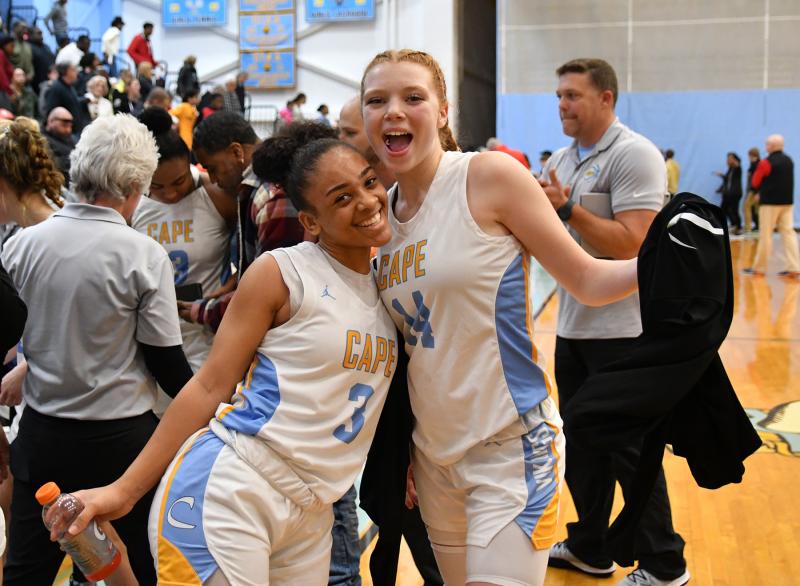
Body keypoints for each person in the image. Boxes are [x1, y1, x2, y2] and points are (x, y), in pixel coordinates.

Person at [54, 130, 399, 585]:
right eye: (341, 198)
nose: (368, 201)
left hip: (313, 512)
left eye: (369, 182)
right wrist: (124, 491)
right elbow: (210, 386)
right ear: (311, 222)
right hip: (232, 489)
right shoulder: (283, 272)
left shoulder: (391, 287)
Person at [361, 49, 640, 586]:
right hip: (434, 460)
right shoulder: (379, 222)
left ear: (442, 111)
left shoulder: (488, 177)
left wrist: (657, 266)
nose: (393, 111)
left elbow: (584, 278)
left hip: (511, 448)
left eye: (412, 97)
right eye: (377, 100)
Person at [1, 115, 193, 585]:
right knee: (131, 570)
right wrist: (214, 400)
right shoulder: (141, 253)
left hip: (43, 437)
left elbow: (28, 329)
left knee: (27, 571)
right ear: (133, 185)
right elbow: (166, 362)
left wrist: (31, 366)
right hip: (121, 445)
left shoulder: (21, 245)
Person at [538, 58, 687, 586]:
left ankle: (666, 565)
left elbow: (637, 245)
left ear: (606, 99)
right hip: (575, 328)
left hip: (623, 334)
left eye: (573, 95)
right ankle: (591, 546)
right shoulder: (562, 158)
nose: (562, 104)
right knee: (582, 448)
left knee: (630, 451)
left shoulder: (635, 155)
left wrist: (568, 212)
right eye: (559, 95)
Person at [337, 94, 443, 586]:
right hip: (381, 419)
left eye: (345, 132)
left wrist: (412, 449)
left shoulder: (430, 211)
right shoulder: (369, 213)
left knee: (433, 550)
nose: (337, 142)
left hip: (427, 418)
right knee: (388, 534)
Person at [132, 107, 236, 380]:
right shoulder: (133, 207)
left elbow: (258, 254)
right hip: (154, 337)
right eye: (158, 185)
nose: (170, 193)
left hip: (209, 333)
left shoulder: (217, 196)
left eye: (178, 181)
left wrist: (232, 286)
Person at [744, 134, 799, 278]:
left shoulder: (765, 162)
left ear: (773, 146)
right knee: (789, 234)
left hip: (769, 204)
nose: (765, 146)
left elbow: (755, 182)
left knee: (765, 235)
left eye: (767, 143)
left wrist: (757, 192)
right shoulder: (789, 160)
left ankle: (759, 268)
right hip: (787, 203)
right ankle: (794, 267)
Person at [44, 62, 85, 132]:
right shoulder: (56, 88)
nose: (76, 73)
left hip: (74, 129)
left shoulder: (70, 87)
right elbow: (51, 111)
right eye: (73, 70)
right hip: (63, 132)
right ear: (66, 72)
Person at [715, 152, 742, 235]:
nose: (728, 160)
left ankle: (738, 227)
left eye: (730, 158)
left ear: (734, 159)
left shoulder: (737, 168)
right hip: (727, 193)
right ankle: (728, 225)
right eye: (728, 158)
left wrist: (735, 162)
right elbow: (727, 180)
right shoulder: (730, 169)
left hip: (735, 193)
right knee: (723, 210)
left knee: (734, 210)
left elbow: (737, 165)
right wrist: (721, 175)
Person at [28, 27, 55, 95]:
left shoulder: (46, 46)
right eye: (38, 34)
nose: (41, 36)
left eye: (41, 33)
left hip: (50, 80)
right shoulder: (29, 47)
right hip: (37, 83)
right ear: (31, 35)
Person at [743, 147, 760, 233]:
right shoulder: (753, 164)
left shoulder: (757, 165)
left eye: (749, 155)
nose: (748, 157)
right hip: (752, 190)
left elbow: (758, 179)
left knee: (747, 206)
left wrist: (757, 192)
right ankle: (755, 226)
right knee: (755, 209)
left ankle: (748, 227)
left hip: (754, 191)